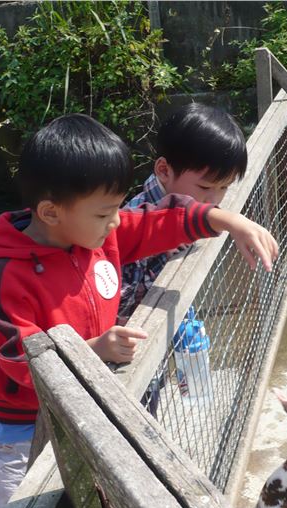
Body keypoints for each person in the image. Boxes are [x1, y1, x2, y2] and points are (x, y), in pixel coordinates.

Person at [0, 113, 277, 508]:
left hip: (71, 409)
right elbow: (19, 358)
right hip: (17, 430)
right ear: (51, 212)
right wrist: (92, 350)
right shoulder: (6, 273)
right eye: (106, 213)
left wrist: (227, 219)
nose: (119, 221)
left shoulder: (97, 235)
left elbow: (156, 223)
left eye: (118, 208)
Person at [117, 103, 248, 415]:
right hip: (128, 358)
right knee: (139, 414)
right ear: (164, 170)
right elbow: (120, 305)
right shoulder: (134, 223)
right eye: (205, 187)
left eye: (224, 188)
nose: (214, 200)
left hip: (156, 344)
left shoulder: (186, 209)